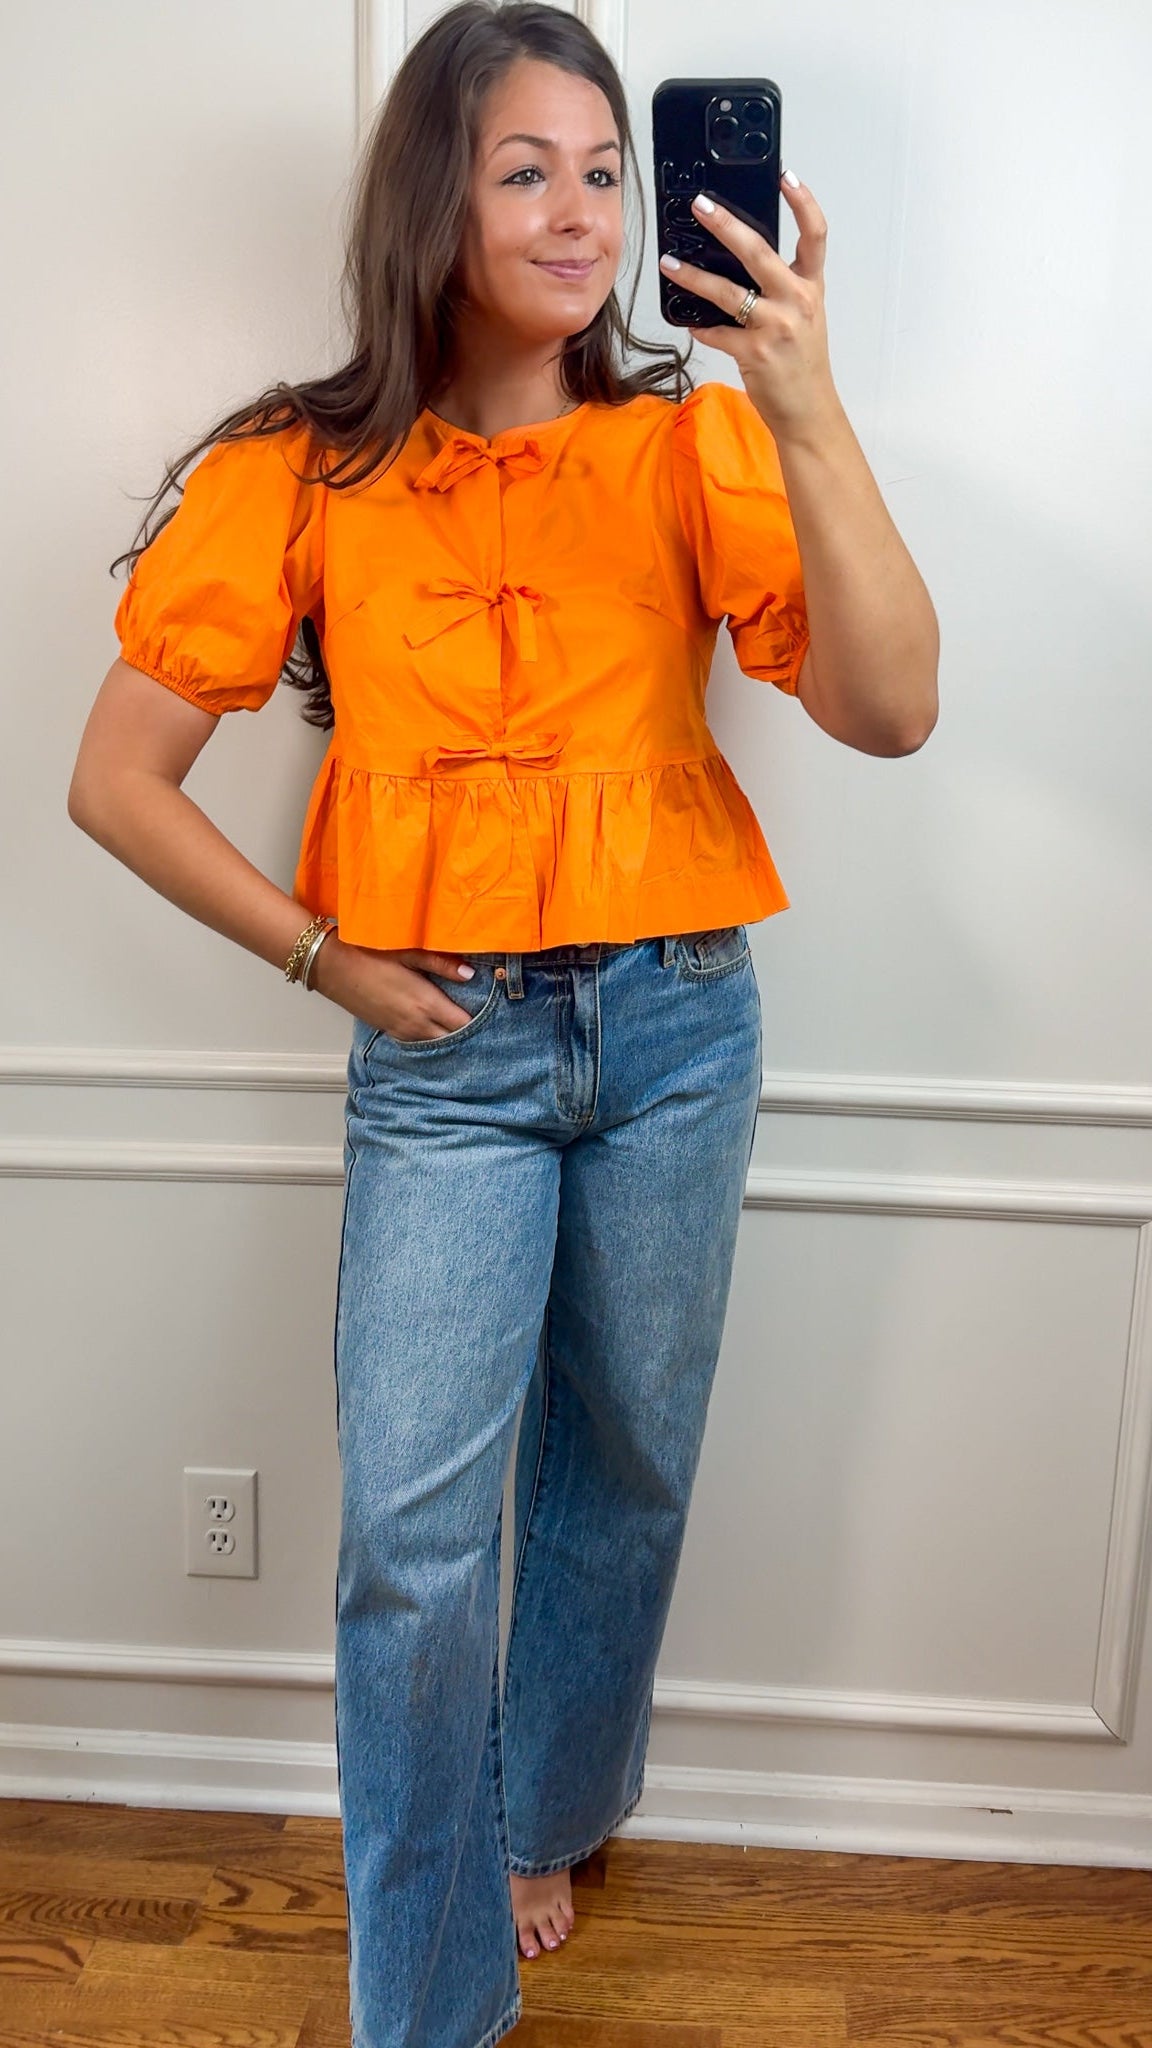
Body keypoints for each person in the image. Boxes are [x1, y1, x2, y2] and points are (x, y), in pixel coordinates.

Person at [67, 4, 938, 2042]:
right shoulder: (299, 465)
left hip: (674, 1028)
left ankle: (550, 1804)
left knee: (626, 1467)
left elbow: (893, 709)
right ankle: (429, 2009)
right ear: (431, 195)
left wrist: (801, 397)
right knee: (408, 1541)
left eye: (608, 168)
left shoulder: (694, 433)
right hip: (442, 1055)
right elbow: (116, 778)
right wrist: (322, 957)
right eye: (525, 166)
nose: (579, 209)